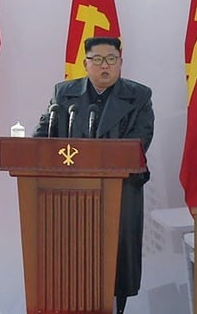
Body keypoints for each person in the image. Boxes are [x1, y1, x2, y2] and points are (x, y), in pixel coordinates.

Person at [32, 37, 154, 314]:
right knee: (73, 261)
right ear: (85, 64)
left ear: (120, 62)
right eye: (97, 60)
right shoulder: (63, 94)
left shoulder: (139, 96)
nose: (104, 66)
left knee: (115, 264)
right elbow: (42, 137)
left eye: (111, 59)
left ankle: (117, 309)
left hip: (120, 192)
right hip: (70, 193)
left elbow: (140, 142)